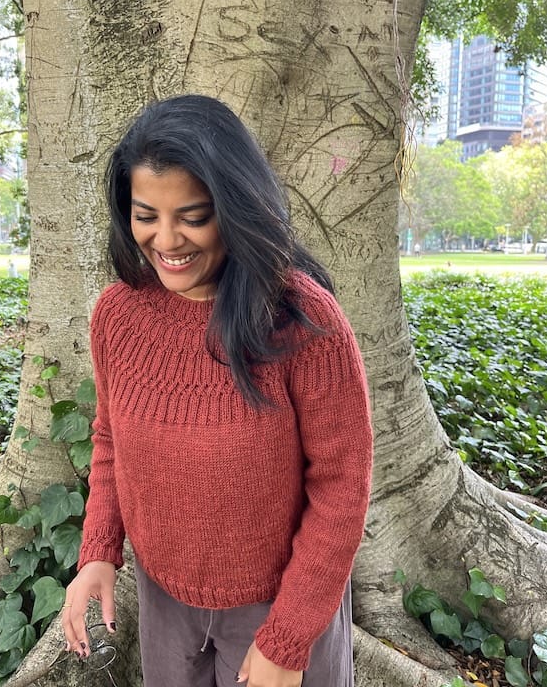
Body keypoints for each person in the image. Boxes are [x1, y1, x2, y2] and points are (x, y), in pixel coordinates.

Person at [61, 94, 373, 687]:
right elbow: (110, 438)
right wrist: (99, 549)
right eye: (146, 214)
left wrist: (286, 638)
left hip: (280, 604)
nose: (167, 240)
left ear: (236, 204)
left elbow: (341, 487)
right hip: (164, 603)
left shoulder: (304, 321)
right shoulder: (116, 315)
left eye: (194, 216)